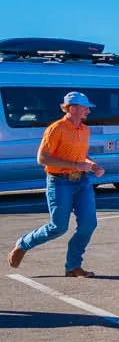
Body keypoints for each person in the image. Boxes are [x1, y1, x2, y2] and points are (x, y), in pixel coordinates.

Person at [8, 89, 102, 277]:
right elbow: (42, 158)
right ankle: (23, 244)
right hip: (60, 182)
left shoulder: (85, 130)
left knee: (89, 224)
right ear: (72, 108)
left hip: (82, 182)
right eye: (85, 108)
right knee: (58, 227)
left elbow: (81, 155)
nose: (88, 111)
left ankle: (73, 266)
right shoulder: (56, 129)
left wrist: (91, 165)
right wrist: (76, 164)